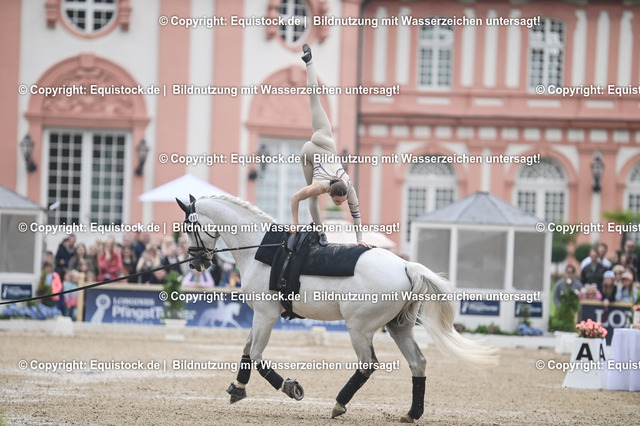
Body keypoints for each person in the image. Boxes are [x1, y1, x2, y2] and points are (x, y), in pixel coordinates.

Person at [290, 44, 371, 248]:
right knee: (312, 197)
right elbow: (295, 198)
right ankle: (321, 233)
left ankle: (309, 62)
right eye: (337, 201)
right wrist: (295, 224)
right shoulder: (322, 187)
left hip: (314, 150)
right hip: (320, 143)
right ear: (331, 193)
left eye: (340, 202)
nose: (340, 204)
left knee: (314, 100)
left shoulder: (348, 188)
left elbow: (356, 216)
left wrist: (360, 240)